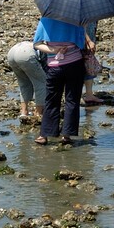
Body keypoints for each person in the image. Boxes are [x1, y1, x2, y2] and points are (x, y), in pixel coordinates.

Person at [33, 16, 92, 145]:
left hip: (54, 66)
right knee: (72, 100)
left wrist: (54, 49)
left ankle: (44, 135)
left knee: (51, 100)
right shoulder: (76, 20)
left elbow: (37, 44)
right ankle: (66, 135)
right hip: (75, 64)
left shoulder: (46, 20)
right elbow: (81, 43)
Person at [6, 41, 46, 119]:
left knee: (23, 83)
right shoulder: (47, 48)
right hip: (26, 54)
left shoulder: (36, 42)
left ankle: (24, 112)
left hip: (12, 52)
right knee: (42, 82)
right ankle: (38, 112)